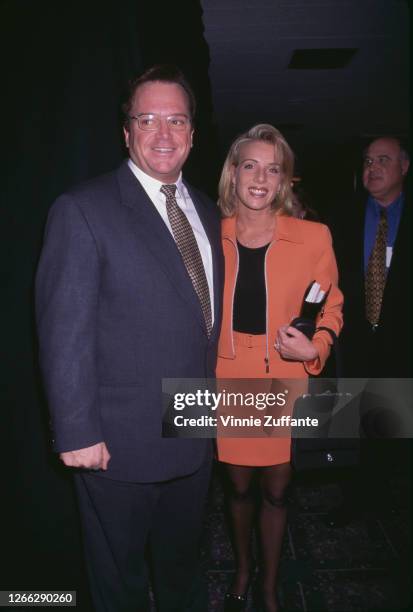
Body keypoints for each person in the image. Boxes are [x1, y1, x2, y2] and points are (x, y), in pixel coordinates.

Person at [35, 64, 223, 612]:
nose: (163, 134)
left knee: (184, 570)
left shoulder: (208, 212)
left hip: (194, 436)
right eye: (147, 119)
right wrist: (76, 431)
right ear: (126, 132)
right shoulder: (83, 209)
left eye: (176, 120)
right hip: (114, 448)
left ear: (192, 133)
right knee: (117, 584)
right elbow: (63, 329)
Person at [215, 124, 343, 612]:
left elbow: (331, 307)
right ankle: (243, 570)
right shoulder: (210, 231)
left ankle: (268, 584)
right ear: (234, 172)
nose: (261, 177)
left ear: (285, 180)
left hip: (282, 373)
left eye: (274, 168)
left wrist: (316, 348)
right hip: (227, 373)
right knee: (238, 485)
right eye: (250, 164)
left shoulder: (313, 236)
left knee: (276, 488)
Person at [327, 136, 411, 526]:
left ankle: (385, 498)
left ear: (404, 167)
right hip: (354, 340)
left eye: (383, 160)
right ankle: (355, 499)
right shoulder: (341, 216)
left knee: (394, 426)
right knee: (356, 424)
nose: (372, 168)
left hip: (401, 343)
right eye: (367, 161)